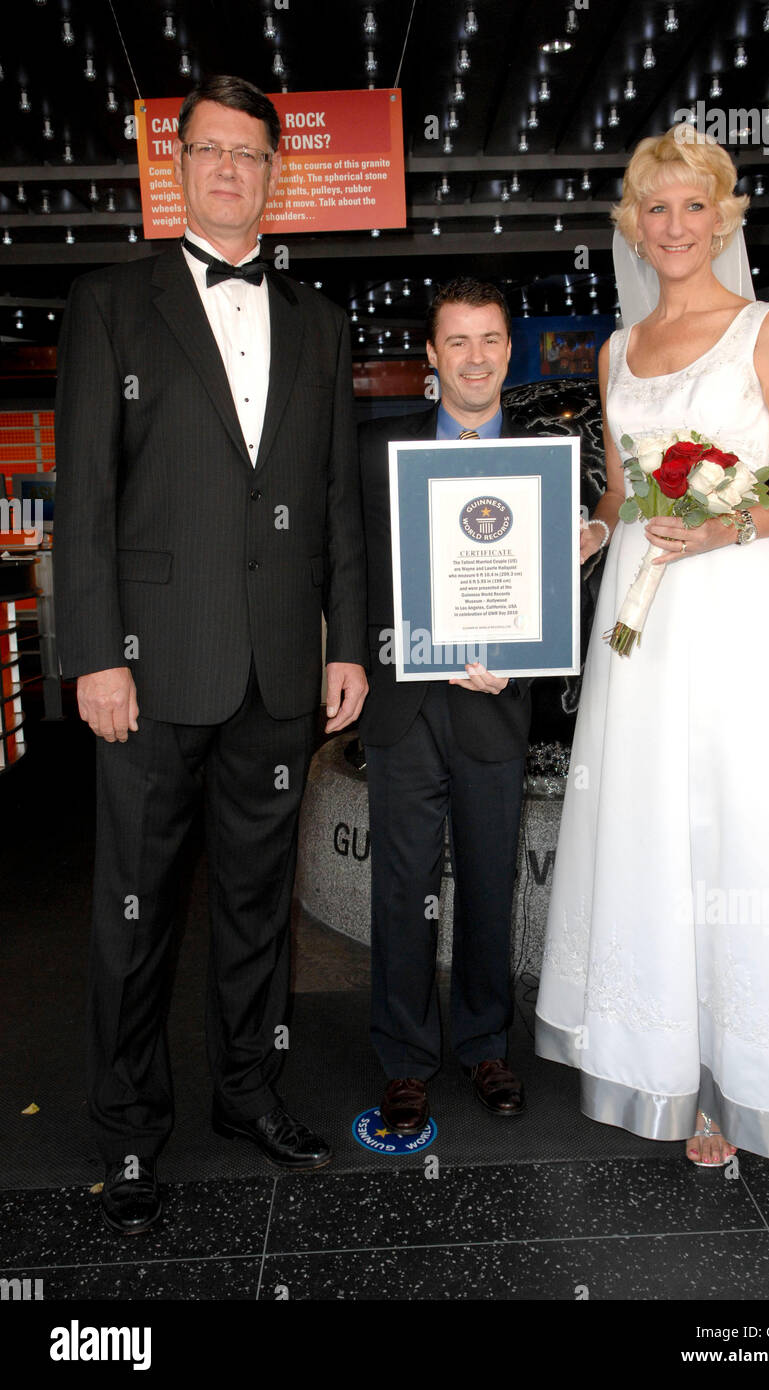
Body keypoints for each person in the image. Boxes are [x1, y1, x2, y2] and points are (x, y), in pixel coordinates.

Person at [53, 75, 367, 1232]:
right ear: (178, 164)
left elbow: (333, 501)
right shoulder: (109, 304)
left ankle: (247, 1089)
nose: (231, 170)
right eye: (211, 152)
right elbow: (80, 495)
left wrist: (346, 642)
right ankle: (129, 1129)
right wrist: (93, 652)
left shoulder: (321, 325)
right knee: (134, 910)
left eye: (250, 155)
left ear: (274, 174)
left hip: (280, 671)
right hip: (146, 665)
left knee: (252, 907)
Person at [536, 125, 769, 1165]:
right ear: (629, 226)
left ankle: (744, 1069)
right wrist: (587, 534)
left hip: (735, 606)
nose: (671, 225)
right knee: (649, 824)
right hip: (641, 617)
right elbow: (623, 493)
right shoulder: (613, 350)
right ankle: (660, 1055)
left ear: (719, 220)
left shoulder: (765, 329)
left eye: (691, 206)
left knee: (742, 823)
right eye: (652, 208)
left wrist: (729, 523)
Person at [359, 278, 532, 1134]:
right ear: (430, 355)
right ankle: (403, 1057)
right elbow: (350, 569)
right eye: (456, 342)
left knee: (491, 883)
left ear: (510, 348)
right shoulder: (377, 449)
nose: (474, 358)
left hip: (495, 706)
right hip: (400, 703)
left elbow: (560, 591)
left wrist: (529, 654)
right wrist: (345, 661)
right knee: (401, 888)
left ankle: (485, 1043)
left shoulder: (548, 457)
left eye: (490, 339)